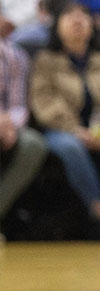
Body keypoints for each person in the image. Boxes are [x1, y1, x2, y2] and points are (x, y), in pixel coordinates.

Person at [29, 3, 100, 241]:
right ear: (56, 25)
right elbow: (43, 103)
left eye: (84, 15)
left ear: (93, 25)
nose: (77, 20)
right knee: (70, 147)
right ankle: (99, 211)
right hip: (62, 129)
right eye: (69, 14)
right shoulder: (45, 61)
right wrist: (77, 130)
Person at [0, 16, 47, 241]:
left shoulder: (14, 56)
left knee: (33, 144)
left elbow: (18, 105)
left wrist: (9, 124)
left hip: (7, 125)